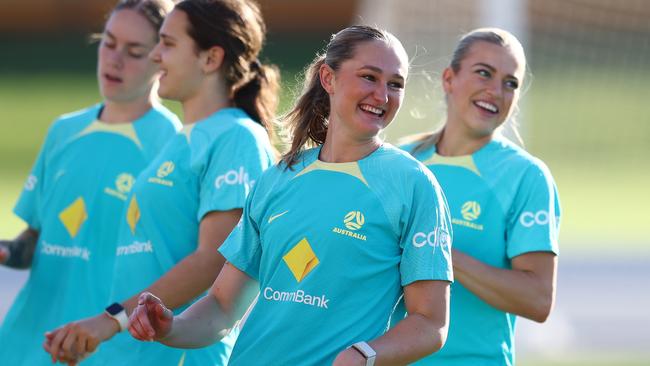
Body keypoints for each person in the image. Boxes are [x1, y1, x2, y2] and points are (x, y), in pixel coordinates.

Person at [128, 24, 453, 366]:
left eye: (395, 84)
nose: (383, 96)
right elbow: (222, 308)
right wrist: (170, 327)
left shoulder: (413, 183)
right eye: (369, 77)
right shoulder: (280, 177)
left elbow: (430, 323)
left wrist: (366, 355)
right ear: (328, 78)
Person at [43, 0, 279, 365]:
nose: (155, 56)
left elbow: (214, 259)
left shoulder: (236, 138)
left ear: (210, 59)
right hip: (133, 352)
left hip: (182, 356)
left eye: (167, 44)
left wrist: (110, 320)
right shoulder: (179, 140)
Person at [0, 0, 181, 365]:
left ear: (161, 58)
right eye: (109, 42)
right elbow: (36, 238)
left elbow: (179, 261)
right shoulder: (64, 130)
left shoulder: (172, 143)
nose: (115, 60)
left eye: (134, 51)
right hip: (33, 341)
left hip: (110, 349)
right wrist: (7, 251)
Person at [396, 28, 561, 365]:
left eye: (510, 82)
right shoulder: (400, 161)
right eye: (483, 72)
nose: (496, 90)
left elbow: (538, 299)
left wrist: (437, 251)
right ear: (449, 79)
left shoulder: (526, 176)